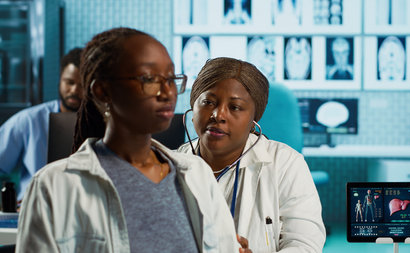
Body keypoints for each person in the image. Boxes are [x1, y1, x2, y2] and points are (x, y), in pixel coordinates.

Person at [16, 27, 239, 252]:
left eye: (170, 79)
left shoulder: (196, 174)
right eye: (149, 78)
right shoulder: (54, 186)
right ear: (103, 91)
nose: (167, 92)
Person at [178, 57, 326, 252]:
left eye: (235, 107)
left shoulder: (286, 164)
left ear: (253, 118)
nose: (218, 115)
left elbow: (304, 244)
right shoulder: (170, 165)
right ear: (193, 107)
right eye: (208, 102)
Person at [0, 47, 83, 200]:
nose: (74, 90)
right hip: (31, 208)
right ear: (60, 80)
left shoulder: (105, 123)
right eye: (69, 82)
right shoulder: (29, 120)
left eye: (81, 84)